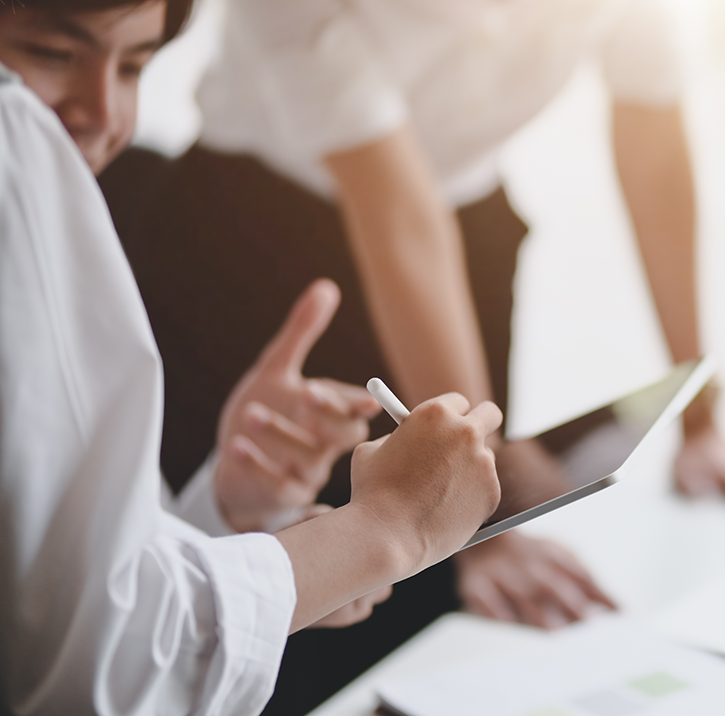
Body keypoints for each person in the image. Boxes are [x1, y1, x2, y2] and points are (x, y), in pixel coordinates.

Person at [99, 1, 725, 712]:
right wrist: (484, 507)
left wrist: (703, 424)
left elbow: (654, 146)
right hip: (248, 251)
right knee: (288, 601)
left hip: (466, 232)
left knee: (449, 607)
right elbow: (396, 213)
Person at [0, 0, 505, 712]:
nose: (104, 113)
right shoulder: (13, 143)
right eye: (53, 55)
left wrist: (219, 515)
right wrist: (380, 530)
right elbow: (98, 668)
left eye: (136, 67)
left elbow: (55, 586)